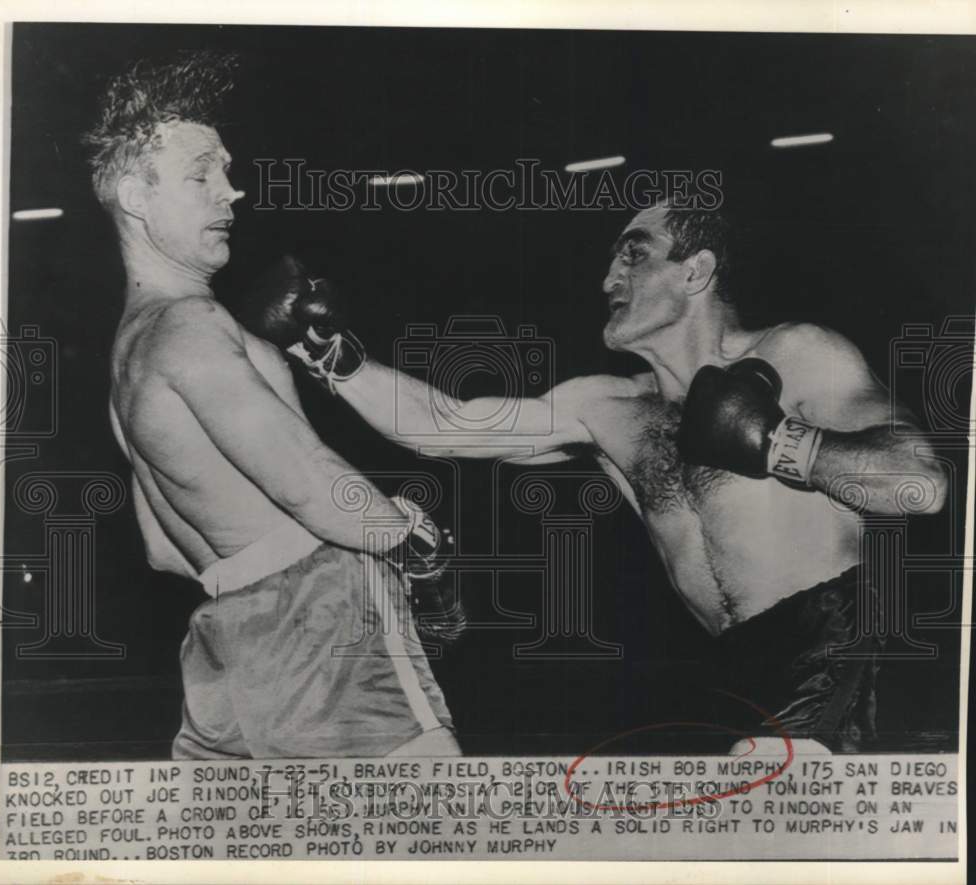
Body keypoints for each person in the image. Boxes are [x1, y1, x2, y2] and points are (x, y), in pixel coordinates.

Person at [246, 200, 948, 754]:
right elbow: (448, 425)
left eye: (632, 256)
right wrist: (330, 356)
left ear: (696, 270)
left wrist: (784, 442)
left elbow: (923, 483)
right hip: (733, 670)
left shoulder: (796, 352)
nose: (607, 279)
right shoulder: (608, 408)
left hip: (837, 637)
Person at [84, 52, 459, 759]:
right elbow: (309, 481)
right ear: (136, 195)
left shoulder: (126, 357)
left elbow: (162, 548)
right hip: (323, 616)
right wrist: (417, 541)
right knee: (435, 844)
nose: (232, 192)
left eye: (225, 169)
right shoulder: (193, 326)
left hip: (224, 639)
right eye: (202, 175)